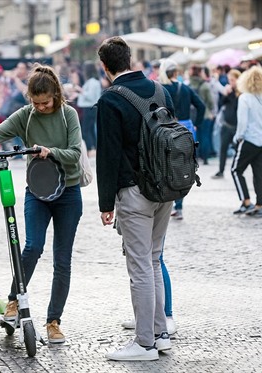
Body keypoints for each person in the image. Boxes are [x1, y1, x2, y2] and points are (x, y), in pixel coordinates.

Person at [0, 63, 83, 344]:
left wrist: (50, 151)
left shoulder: (69, 115)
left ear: (55, 94)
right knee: (32, 246)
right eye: (36, 102)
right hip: (38, 192)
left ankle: (54, 321)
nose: (41, 107)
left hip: (68, 192)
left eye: (45, 102)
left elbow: (75, 153)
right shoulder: (27, 116)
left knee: (62, 261)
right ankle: (13, 302)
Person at [96, 36, 175, 361]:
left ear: (105, 67)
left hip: (134, 192)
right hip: (166, 188)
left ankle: (144, 344)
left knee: (140, 266)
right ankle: (160, 335)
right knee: (153, 261)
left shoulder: (111, 100)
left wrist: (105, 204)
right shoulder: (161, 90)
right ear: (129, 59)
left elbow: (108, 156)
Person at [159, 59, 205, 220]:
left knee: (164, 166)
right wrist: (197, 124)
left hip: (167, 129)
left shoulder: (161, 89)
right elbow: (201, 106)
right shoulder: (185, 88)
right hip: (186, 130)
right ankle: (178, 207)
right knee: (181, 167)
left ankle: (166, 204)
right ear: (176, 73)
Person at [231, 66, 262, 218]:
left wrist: (238, 137)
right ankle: (259, 205)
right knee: (259, 173)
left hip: (249, 139)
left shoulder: (244, 98)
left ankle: (246, 202)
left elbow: (242, 122)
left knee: (236, 170)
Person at [212, 69, 241, 179]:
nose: (231, 82)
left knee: (237, 150)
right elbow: (221, 104)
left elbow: (236, 106)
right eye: (229, 80)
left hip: (237, 126)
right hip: (226, 125)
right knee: (223, 149)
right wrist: (225, 94)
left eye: (233, 80)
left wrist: (233, 92)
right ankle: (221, 170)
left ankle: (237, 169)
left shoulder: (241, 93)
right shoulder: (228, 90)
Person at [77, 60, 102, 156]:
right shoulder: (94, 81)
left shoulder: (92, 82)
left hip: (89, 107)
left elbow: (90, 96)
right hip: (91, 107)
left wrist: (81, 90)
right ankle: (93, 147)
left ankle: (89, 148)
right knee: (90, 129)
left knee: (86, 130)